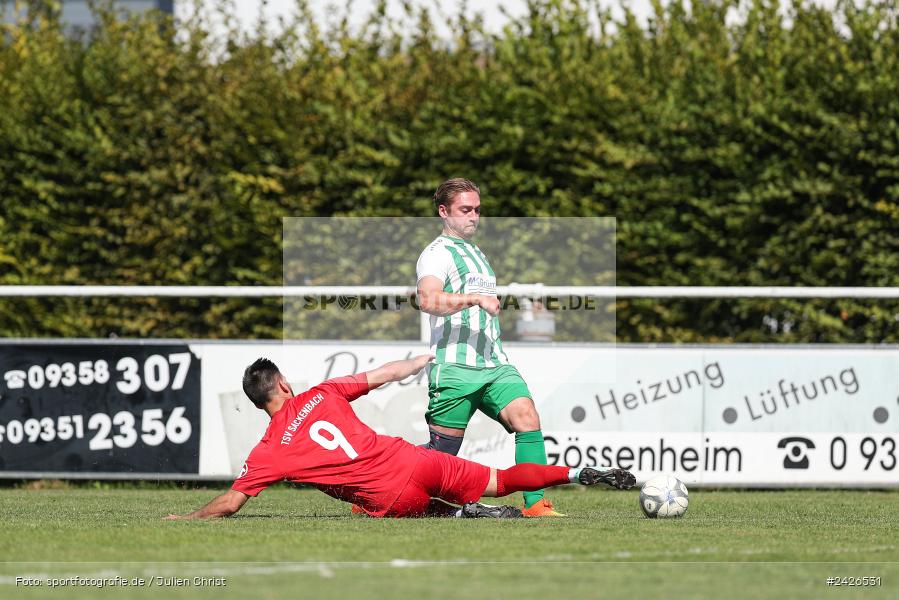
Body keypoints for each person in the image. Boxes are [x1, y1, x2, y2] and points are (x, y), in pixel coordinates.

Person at [164, 355, 635, 520]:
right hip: (414, 460)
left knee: (391, 510)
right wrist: (421, 362)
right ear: (284, 385)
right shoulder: (323, 392)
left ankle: (465, 515)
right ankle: (576, 472)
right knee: (507, 476)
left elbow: (230, 503)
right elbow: (384, 374)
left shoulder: (269, 451)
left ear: (259, 401)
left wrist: (187, 516)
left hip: (391, 497)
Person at [416, 178, 560, 517]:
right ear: (443, 212)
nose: (473, 216)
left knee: (527, 417)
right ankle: (378, 483)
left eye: (477, 210)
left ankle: (535, 504)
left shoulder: (478, 254)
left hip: (494, 364)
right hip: (455, 367)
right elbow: (427, 299)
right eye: (465, 210)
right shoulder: (436, 253)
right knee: (441, 457)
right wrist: (474, 299)